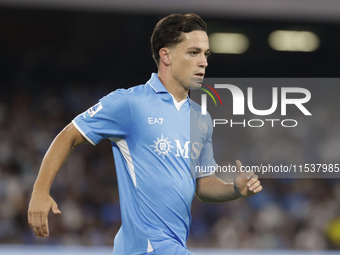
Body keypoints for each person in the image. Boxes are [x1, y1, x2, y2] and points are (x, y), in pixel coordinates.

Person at [28, 13, 262, 255]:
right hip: (146, 246)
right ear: (166, 55)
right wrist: (40, 191)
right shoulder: (130, 103)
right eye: (194, 52)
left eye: (205, 54)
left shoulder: (201, 119)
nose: (203, 62)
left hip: (169, 246)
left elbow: (203, 186)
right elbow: (69, 136)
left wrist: (235, 189)